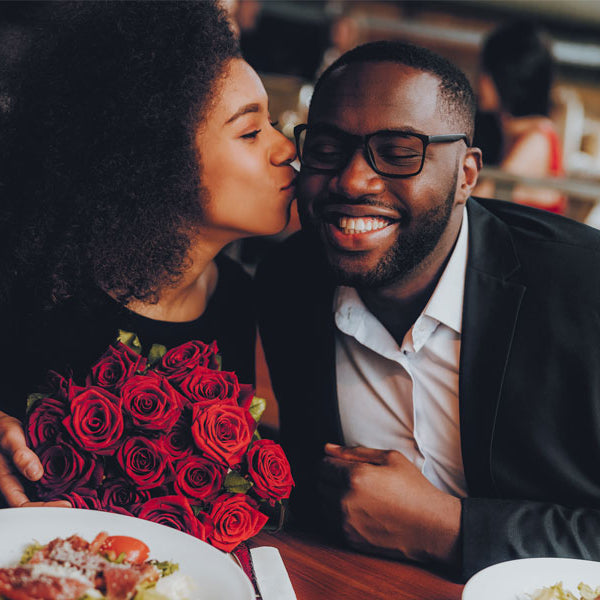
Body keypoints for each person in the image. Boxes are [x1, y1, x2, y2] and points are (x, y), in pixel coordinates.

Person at [255, 40, 600, 582]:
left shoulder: (584, 292)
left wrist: (450, 528)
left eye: (398, 152)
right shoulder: (288, 283)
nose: (351, 180)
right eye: (326, 147)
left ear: (466, 175)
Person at [0, 2, 295, 507]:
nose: (286, 148)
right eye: (251, 132)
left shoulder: (238, 298)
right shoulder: (35, 279)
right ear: (158, 158)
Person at [474, 20, 567, 214]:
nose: (479, 79)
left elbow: (478, 198)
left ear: (506, 78)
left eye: (486, 71)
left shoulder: (536, 139)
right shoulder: (508, 130)